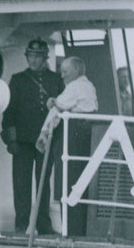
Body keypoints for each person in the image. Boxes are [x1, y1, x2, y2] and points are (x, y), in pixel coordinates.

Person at [0, 38, 62, 235]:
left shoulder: (55, 80)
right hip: (23, 141)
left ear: (45, 58)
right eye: (31, 56)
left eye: (38, 56)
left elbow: (60, 110)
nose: (33, 60)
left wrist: (55, 139)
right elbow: (8, 112)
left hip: (46, 139)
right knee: (21, 183)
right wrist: (11, 140)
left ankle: (43, 224)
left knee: (43, 183)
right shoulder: (18, 80)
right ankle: (21, 224)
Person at [38, 55, 98, 237]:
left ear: (77, 70)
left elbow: (57, 107)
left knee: (68, 182)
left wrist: (44, 132)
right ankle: (78, 230)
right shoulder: (89, 86)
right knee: (79, 183)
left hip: (73, 137)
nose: (61, 76)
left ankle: (71, 231)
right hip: (85, 137)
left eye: (65, 71)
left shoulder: (75, 86)